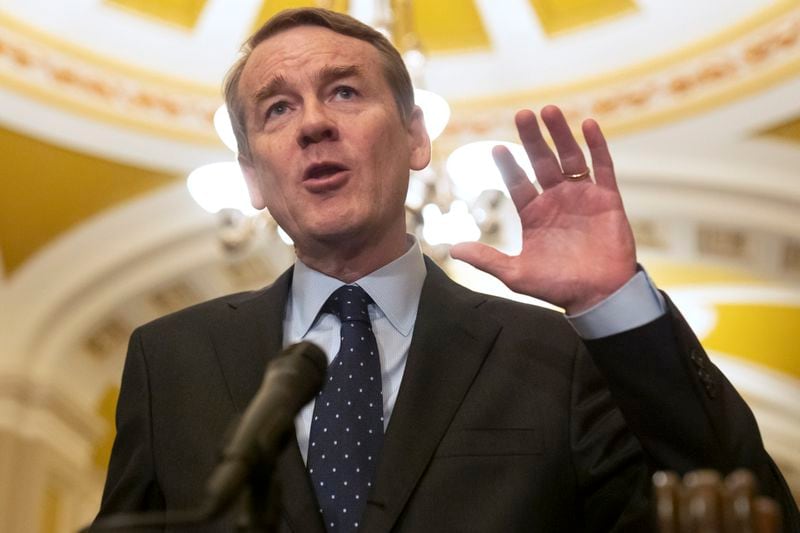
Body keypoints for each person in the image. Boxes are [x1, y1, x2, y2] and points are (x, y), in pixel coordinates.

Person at [94, 7, 799, 533]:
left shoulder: (555, 357)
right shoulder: (169, 359)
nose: (312, 123)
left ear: (416, 137)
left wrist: (614, 304)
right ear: (252, 176)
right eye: (277, 108)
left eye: (344, 92)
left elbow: (741, 501)